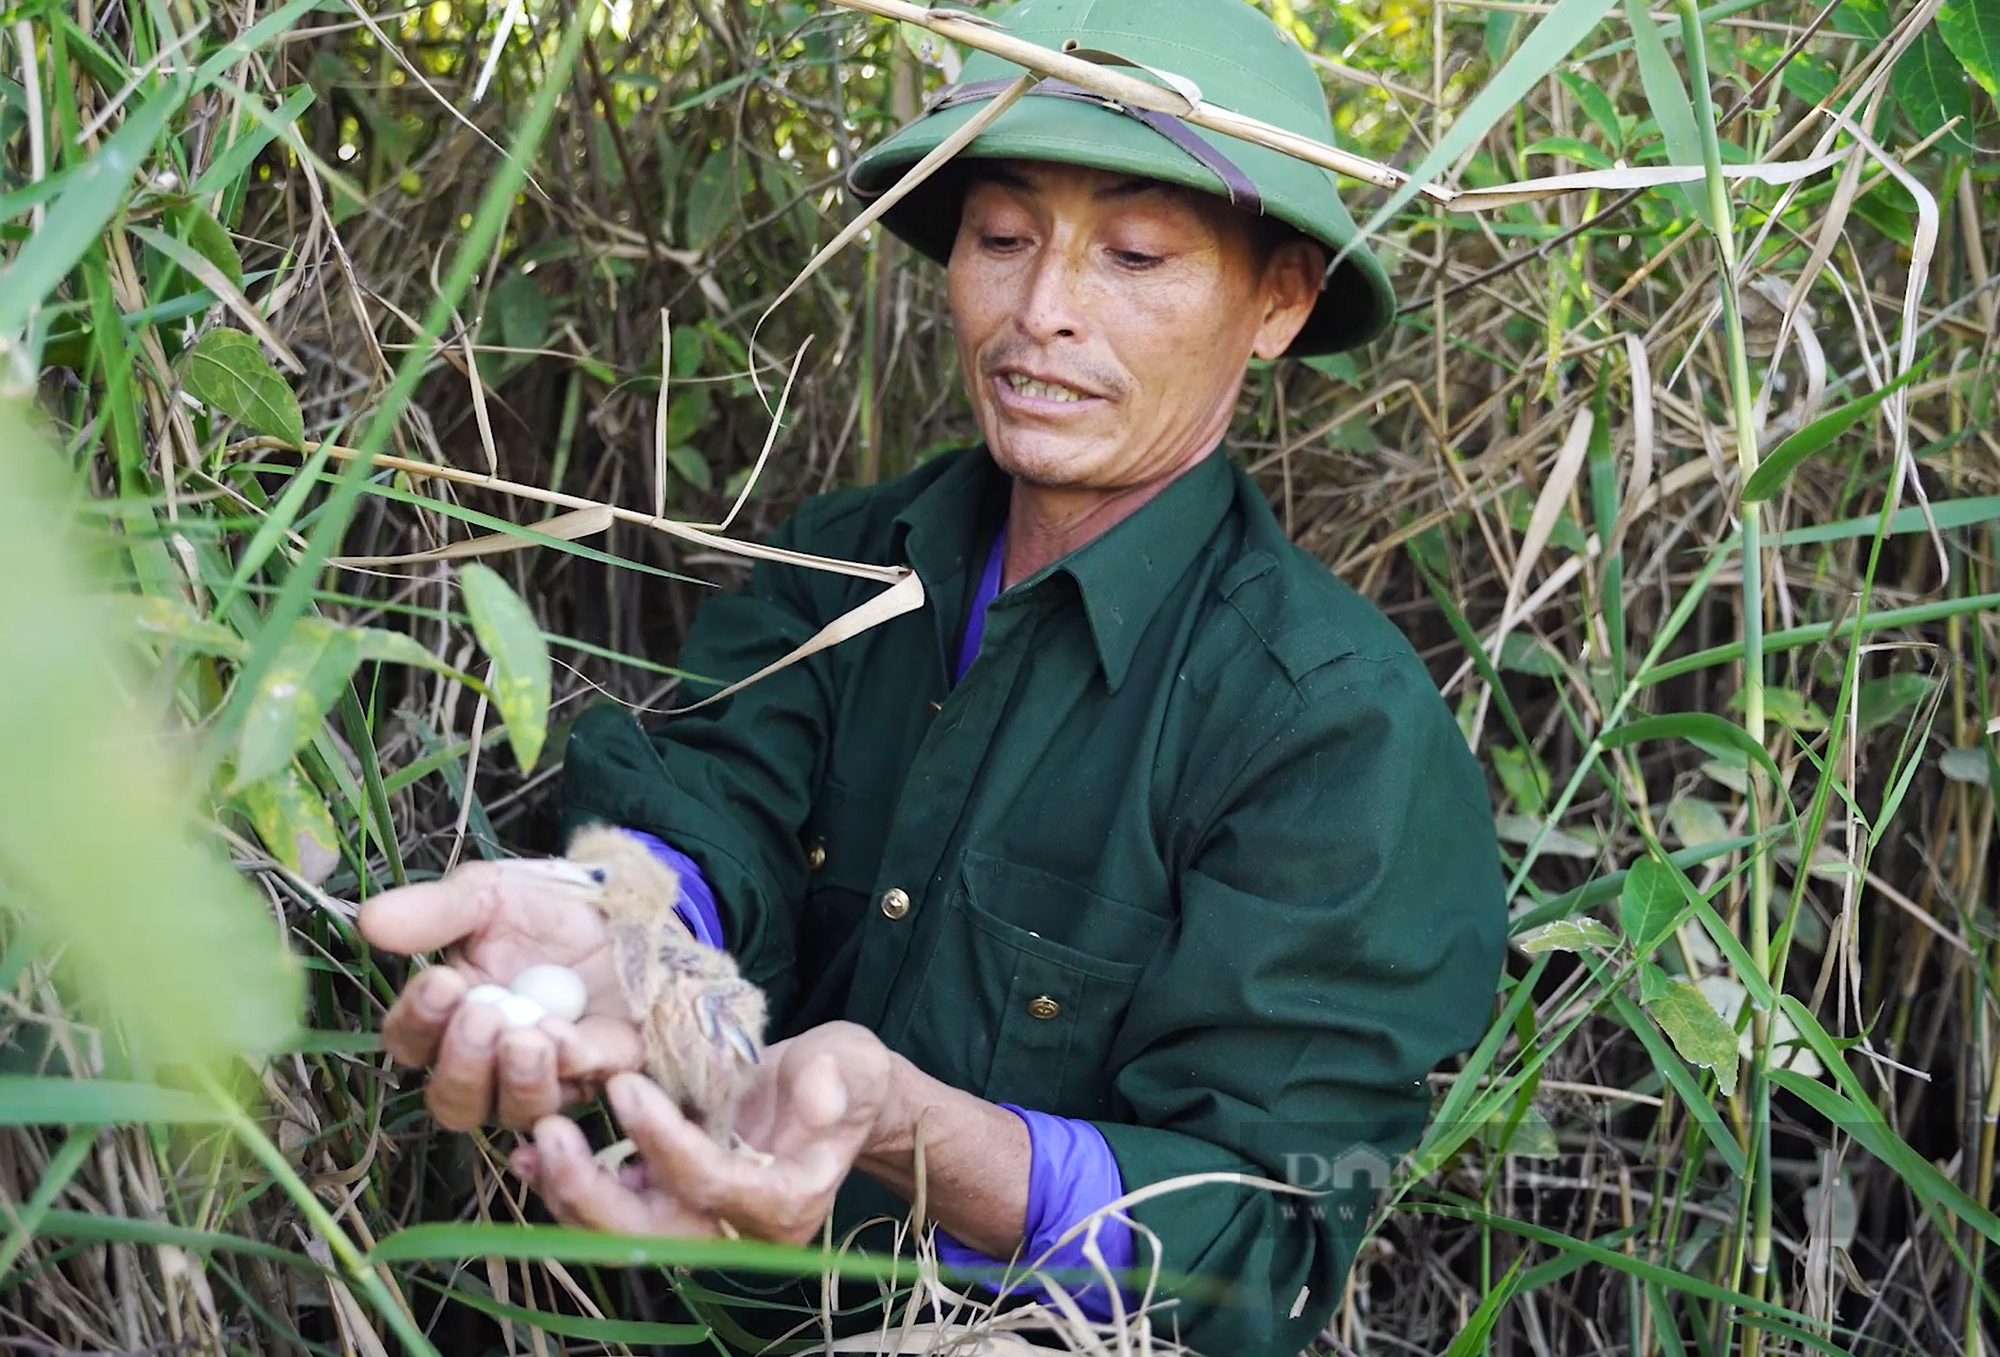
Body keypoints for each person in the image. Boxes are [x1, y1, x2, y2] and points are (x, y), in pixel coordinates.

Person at [357, 0, 1507, 1351]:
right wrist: (627, 921)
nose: (1042, 312)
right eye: (1002, 236)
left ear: (1281, 297)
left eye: (1135, 252)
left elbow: (1262, 1241)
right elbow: (723, 789)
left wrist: (914, 1128)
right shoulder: (847, 562)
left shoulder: (1334, 732)